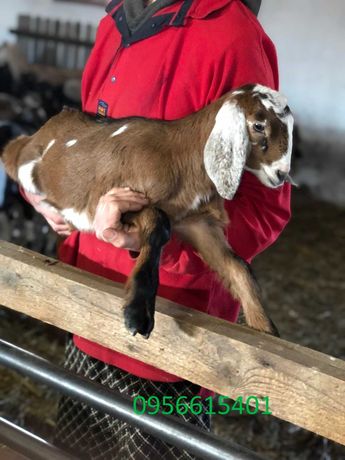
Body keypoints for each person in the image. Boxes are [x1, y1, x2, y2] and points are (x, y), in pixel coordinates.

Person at [24, 0, 291, 458]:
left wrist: (153, 242)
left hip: (168, 339)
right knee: (70, 450)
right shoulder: (116, 23)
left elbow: (265, 208)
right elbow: (84, 151)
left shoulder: (228, 36)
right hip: (83, 309)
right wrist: (44, 185)